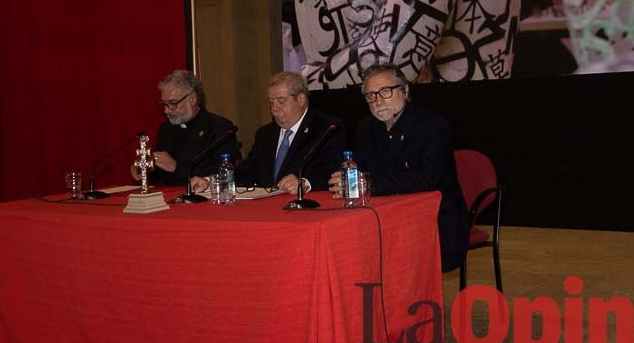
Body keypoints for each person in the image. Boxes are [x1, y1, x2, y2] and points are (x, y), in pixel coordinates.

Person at [327, 63, 469, 272]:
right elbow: (363, 171)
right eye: (370, 96)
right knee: (343, 245)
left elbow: (426, 179)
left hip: (434, 218)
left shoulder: (432, 126)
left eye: (385, 92)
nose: (378, 101)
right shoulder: (366, 128)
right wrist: (350, 181)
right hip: (383, 215)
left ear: (405, 90)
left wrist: (369, 183)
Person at [191, 71, 344, 197]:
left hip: (306, 209)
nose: (275, 108)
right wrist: (212, 181)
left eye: (281, 101)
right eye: (271, 102)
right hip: (268, 211)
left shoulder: (326, 128)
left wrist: (304, 182)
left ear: (301, 99)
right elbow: (247, 172)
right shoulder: (265, 134)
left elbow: (333, 170)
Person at [134, 69, 240, 187]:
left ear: (192, 99)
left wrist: (177, 168)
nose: (166, 110)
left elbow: (224, 173)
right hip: (170, 199)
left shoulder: (220, 128)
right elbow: (160, 174)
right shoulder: (166, 129)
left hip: (203, 199)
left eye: (172, 103)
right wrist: (144, 171)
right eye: (164, 104)